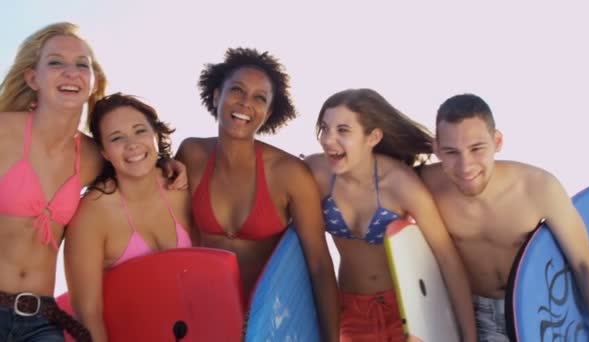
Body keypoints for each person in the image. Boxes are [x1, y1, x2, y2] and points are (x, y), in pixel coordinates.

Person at [0, 22, 185, 341]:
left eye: (81, 65)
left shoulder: (91, 156)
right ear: (33, 78)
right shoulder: (4, 133)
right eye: (56, 62)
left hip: (41, 321)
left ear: (92, 80)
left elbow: (132, 160)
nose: (70, 73)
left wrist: (165, 162)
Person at [176, 47, 340, 341]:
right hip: (201, 317)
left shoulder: (289, 173)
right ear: (217, 96)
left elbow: (319, 265)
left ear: (269, 112)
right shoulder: (191, 154)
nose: (245, 103)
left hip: (268, 325)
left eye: (259, 98)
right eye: (237, 90)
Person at [420, 93, 589, 341]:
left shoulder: (538, 187)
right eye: (451, 152)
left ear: (497, 141)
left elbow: (586, 265)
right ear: (436, 149)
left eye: (477, 149)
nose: (465, 166)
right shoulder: (423, 185)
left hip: (542, 313)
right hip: (475, 314)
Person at [305, 88, 477, 342]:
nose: (328, 140)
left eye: (343, 130)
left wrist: (469, 337)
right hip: (348, 310)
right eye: (325, 128)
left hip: (407, 309)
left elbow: (448, 260)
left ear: (373, 137)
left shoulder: (400, 184)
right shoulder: (316, 172)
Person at [64, 93, 196, 342]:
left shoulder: (182, 188)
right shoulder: (93, 214)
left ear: (155, 135)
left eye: (139, 131)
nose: (132, 144)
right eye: (117, 138)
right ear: (103, 152)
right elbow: (87, 314)